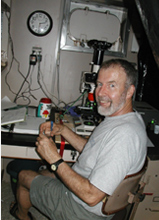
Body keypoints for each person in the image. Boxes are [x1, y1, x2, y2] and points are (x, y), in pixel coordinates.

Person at [10, 59, 147, 220]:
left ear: (130, 91)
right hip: (82, 186)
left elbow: (91, 197)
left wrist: (54, 159)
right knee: (43, 173)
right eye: (99, 84)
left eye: (111, 85)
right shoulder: (122, 118)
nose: (101, 93)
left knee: (24, 176)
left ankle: (21, 215)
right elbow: (93, 150)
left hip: (81, 209)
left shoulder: (124, 136)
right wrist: (63, 130)